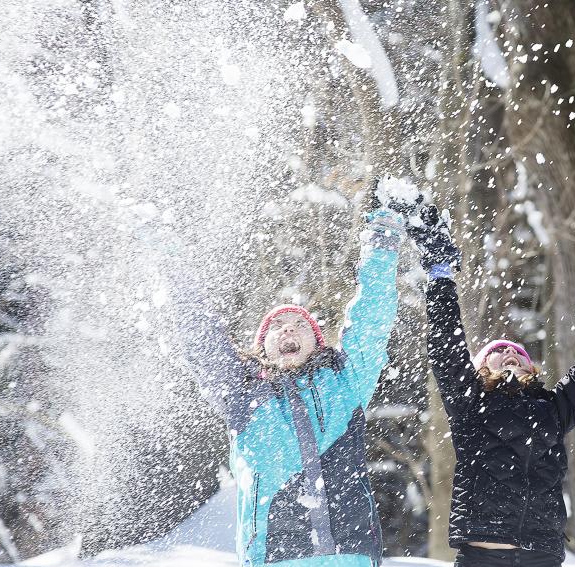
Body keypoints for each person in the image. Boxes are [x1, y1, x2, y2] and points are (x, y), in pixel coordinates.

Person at [406, 205, 575, 567]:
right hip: (483, 557)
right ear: (480, 368)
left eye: (516, 353)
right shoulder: (468, 404)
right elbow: (446, 347)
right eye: (497, 352)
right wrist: (440, 270)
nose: (509, 354)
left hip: (541, 556)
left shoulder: (552, 409)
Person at [175, 181, 417, 567]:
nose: (288, 329)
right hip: (275, 555)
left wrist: (382, 242)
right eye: (277, 326)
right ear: (262, 347)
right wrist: (173, 268)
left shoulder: (344, 381)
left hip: (349, 554)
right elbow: (201, 341)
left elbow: (372, 318)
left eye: (299, 325)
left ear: (318, 343)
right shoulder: (242, 395)